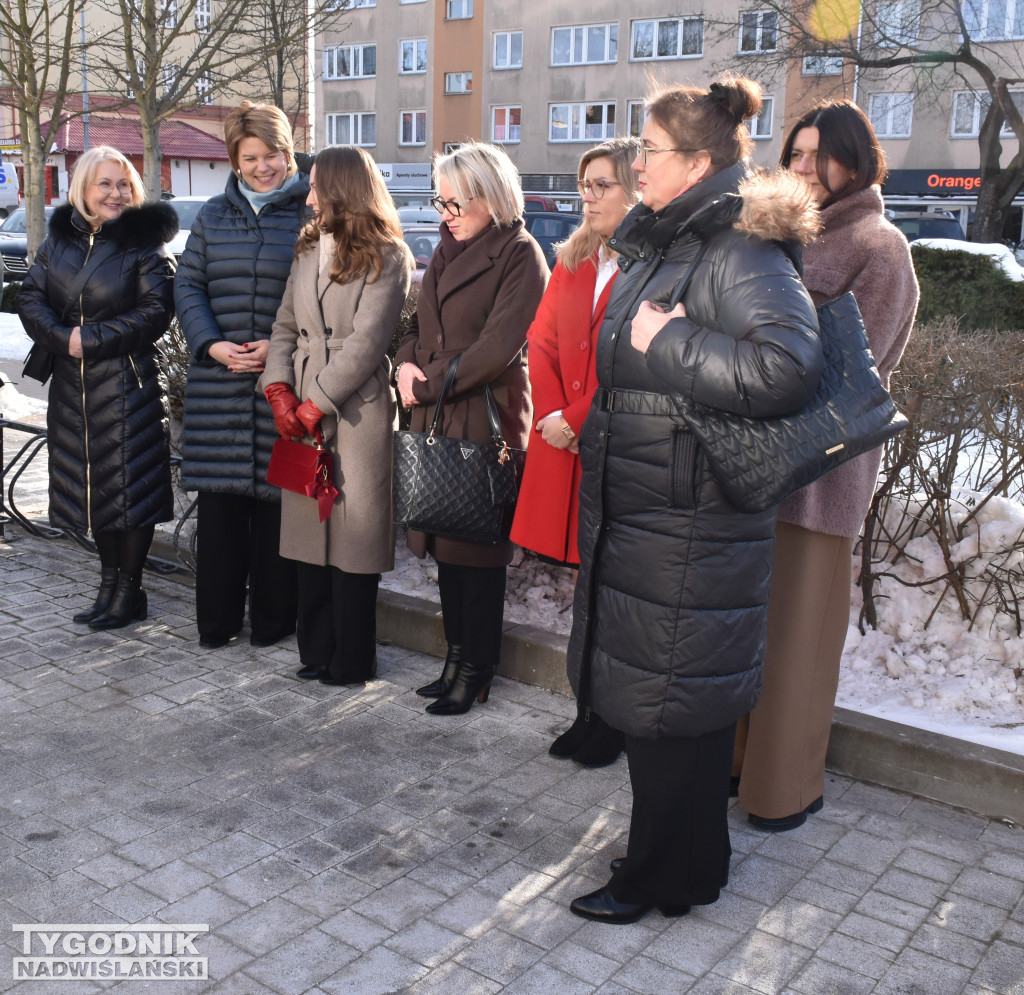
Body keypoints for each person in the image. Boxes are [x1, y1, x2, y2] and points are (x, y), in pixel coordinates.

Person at [565, 78, 823, 925]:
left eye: (650, 150)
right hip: (655, 509)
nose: (636, 162)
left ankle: (659, 878)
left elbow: (785, 368)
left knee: (674, 706)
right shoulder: (675, 241)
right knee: (665, 702)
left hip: (691, 518)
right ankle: (680, 860)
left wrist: (671, 340)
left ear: (700, 162)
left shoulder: (737, 248)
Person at [732, 100, 920, 832]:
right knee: (749, 630)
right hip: (755, 470)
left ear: (856, 160)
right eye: (796, 153)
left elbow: (856, 372)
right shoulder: (778, 236)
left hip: (821, 477)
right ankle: (738, 763)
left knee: (800, 641)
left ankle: (783, 787)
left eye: (819, 155)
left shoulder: (879, 245)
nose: (803, 167)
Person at [394, 141, 548, 715]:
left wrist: (425, 383)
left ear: (491, 196)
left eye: (456, 203)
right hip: (437, 408)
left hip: (483, 413)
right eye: (442, 201)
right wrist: (405, 364)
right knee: (445, 545)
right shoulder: (446, 248)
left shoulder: (520, 253)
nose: (446, 214)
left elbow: (497, 350)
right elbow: (418, 323)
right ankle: (455, 658)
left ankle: (476, 668)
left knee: (475, 553)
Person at [509, 137, 640, 768]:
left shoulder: (649, 266)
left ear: (636, 189)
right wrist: (555, 412)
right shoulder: (573, 259)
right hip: (567, 434)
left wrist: (577, 418)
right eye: (583, 185)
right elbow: (541, 339)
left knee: (614, 587)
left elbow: (633, 360)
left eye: (602, 185)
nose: (587, 197)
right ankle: (586, 709)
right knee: (586, 587)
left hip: (614, 444)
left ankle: (612, 719)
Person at [260, 146, 412, 685]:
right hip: (301, 406)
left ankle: (353, 658)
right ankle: (315, 649)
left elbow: (366, 345)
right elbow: (284, 324)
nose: (309, 196)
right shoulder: (307, 247)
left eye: (318, 186)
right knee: (308, 537)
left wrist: (312, 403)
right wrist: (277, 387)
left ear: (345, 189)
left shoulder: (388, 256)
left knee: (353, 540)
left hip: (356, 415)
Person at [17, 146, 177, 629]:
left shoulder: (145, 245)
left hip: (127, 385)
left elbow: (155, 314)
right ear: (82, 189)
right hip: (71, 389)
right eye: (104, 184)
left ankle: (129, 590)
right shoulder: (57, 242)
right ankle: (108, 585)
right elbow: (30, 298)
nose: (115, 193)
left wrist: (87, 339)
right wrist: (61, 337)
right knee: (94, 491)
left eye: (123, 183)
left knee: (130, 490)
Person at [175, 101, 307, 650]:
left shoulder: (312, 212)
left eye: (272, 154)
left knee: (280, 509)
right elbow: (188, 286)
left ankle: (275, 624)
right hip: (220, 383)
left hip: (285, 383)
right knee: (223, 513)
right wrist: (213, 345)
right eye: (250, 157)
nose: (263, 167)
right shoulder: (211, 215)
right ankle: (218, 623)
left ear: (288, 151)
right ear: (233, 159)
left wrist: (282, 351)